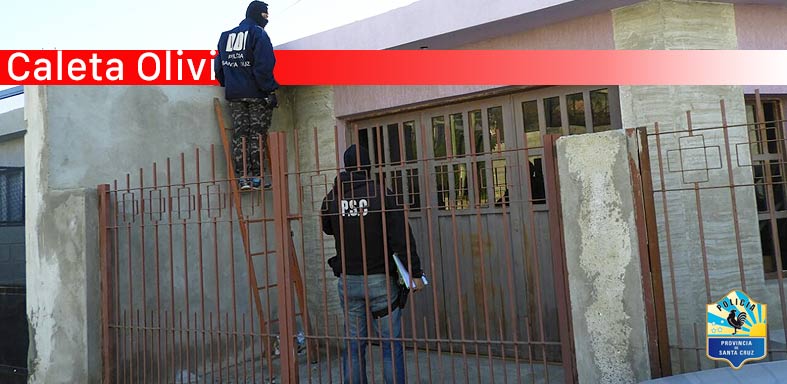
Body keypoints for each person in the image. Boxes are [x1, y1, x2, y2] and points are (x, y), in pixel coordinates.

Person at [321, 144, 425, 384]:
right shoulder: (381, 194)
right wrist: (415, 272)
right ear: (368, 167)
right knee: (390, 346)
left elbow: (326, 226)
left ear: (346, 166)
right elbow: (401, 237)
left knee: (354, 346)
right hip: (379, 281)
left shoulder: (334, 196)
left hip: (349, 281)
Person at [214, 1, 279, 190]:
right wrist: (269, 90)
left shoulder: (225, 36)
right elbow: (264, 66)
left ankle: (243, 178)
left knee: (240, 134)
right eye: (265, 15)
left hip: (235, 95)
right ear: (257, 14)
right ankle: (257, 178)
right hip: (256, 94)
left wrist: (230, 84)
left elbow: (218, 67)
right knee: (257, 135)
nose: (267, 19)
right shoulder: (258, 34)